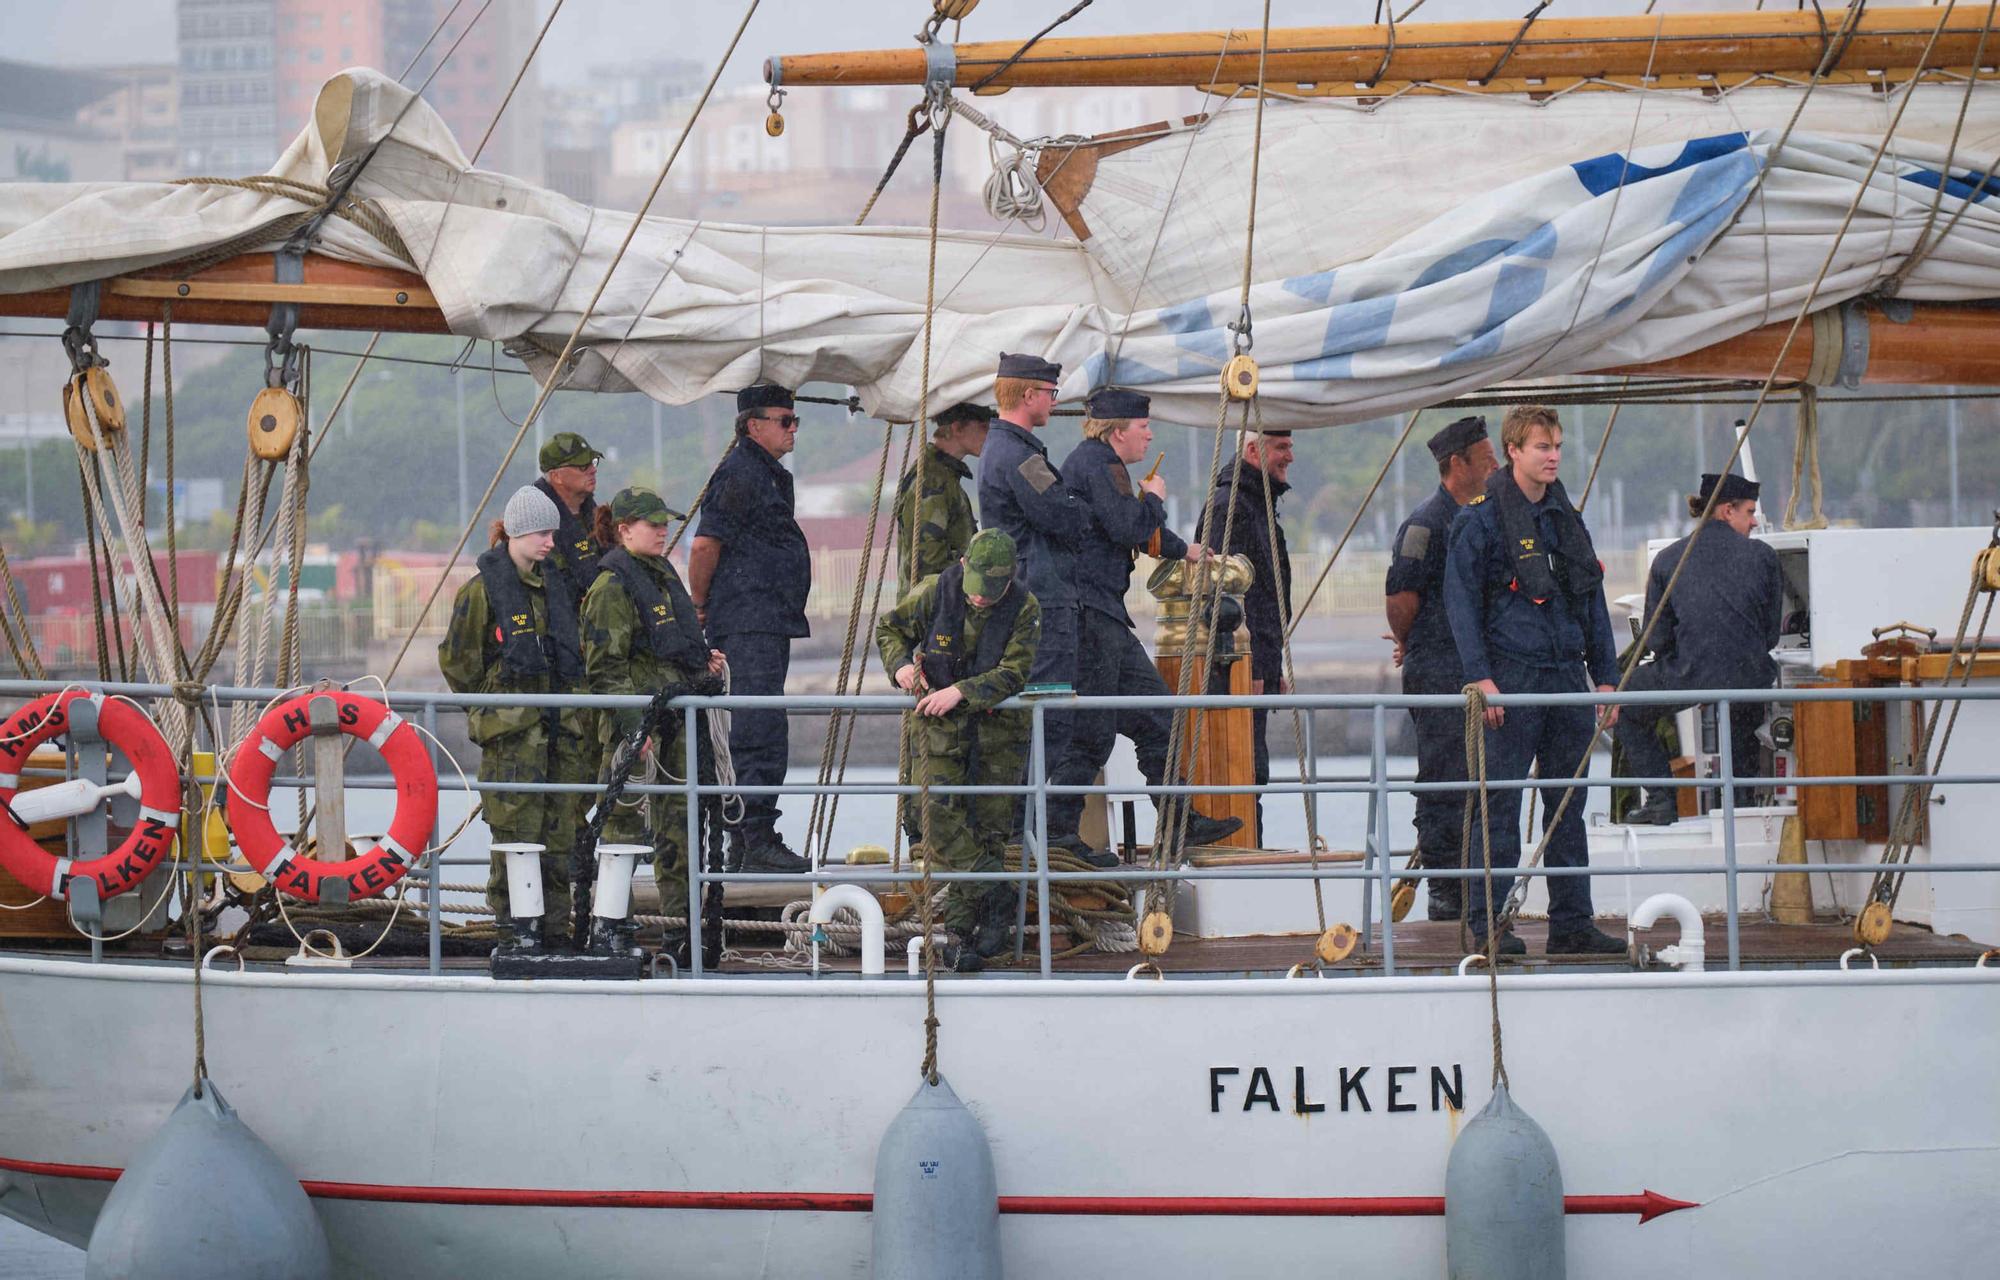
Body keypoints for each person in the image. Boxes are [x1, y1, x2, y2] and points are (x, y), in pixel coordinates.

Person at [1443, 405, 1625, 956]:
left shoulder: (1566, 517)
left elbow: (1590, 599)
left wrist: (1607, 679)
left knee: (1568, 805)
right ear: (1514, 452)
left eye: (1558, 447)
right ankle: (1490, 926)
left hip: (1566, 676)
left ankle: (1573, 924)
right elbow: (1462, 605)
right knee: (1497, 807)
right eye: (1542, 447)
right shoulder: (1478, 521)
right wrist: (1481, 678)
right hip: (1511, 680)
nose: (1552, 457)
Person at [1050, 387, 1243, 862]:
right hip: (1093, 618)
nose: (1149, 434)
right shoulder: (1100, 465)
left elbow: (1124, 524)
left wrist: (1186, 549)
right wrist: (1155, 499)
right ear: (1118, 431)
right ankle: (1057, 834)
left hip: (1100, 616)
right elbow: (1131, 527)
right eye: (1143, 427)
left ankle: (1179, 822)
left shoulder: (1093, 464)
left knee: (1157, 717)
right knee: (1095, 731)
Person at [437, 485, 593, 956]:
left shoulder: (555, 587)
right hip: (514, 743)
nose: (550, 542)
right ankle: (515, 932)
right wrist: (493, 707)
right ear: (518, 533)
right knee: (515, 838)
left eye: (553, 533)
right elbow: (458, 662)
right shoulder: (483, 592)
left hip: (561, 738)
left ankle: (556, 933)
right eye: (543, 533)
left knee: (561, 838)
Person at [877, 529, 1041, 973]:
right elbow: (889, 627)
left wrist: (961, 692)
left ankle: (960, 937)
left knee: (987, 828)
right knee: (934, 815)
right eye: (977, 590)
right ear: (965, 566)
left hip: (997, 736)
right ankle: (996, 887)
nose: (982, 601)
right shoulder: (935, 591)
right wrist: (902, 668)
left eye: (994, 592)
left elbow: (1014, 672)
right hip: (937, 732)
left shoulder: (1025, 608)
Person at [580, 487, 729, 960]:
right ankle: (611, 928)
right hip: (641, 730)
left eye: (665, 523)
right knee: (622, 829)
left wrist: (703, 664)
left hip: (676, 720)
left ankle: (681, 932)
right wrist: (633, 729)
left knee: (680, 831)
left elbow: (675, 645)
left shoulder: (661, 576)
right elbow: (606, 669)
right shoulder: (611, 588)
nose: (663, 530)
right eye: (652, 524)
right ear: (624, 530)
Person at [688, 384, 811, 872]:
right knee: (757, 726)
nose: (793, 429)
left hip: (766, 621)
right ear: (753, 425)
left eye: (795, 420)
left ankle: (747, 839)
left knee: (762, 722)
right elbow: (704, 546)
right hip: (747, 622)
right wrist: (699, 604)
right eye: (785, 420)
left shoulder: (765, 474)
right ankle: (752, 834)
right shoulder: (740, 474)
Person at [1615, 472, 1784, 824]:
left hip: (1694, 672)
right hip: (1750, 676)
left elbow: (1656, 639)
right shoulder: (1764, 556)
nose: (1754, 521)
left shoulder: (1669, 560)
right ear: (1726, 511)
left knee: (1627, 703)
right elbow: (1770, 635)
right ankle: (1741, 805)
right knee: (1742, 713)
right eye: (1749, 512)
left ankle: (1661, 801)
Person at [1385, 415, 1499, 920]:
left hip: (1480, 668)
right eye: (1487, 458)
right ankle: (1445, 889)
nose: (1495, 466)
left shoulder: (1488, 516)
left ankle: (1480, 882)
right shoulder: (1426, 526)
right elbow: (1401, 596)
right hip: (1437, 667)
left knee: (1485, 777)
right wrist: (1412, 643)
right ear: (1459, 464)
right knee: (1443, 778)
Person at [977, 352, 1093, 778]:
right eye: (1050, 393)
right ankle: (1025, 833)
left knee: (1042, 716)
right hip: (1042, 595)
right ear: (1029, 395)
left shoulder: (1001, 449)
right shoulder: (1021, 458)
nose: (1054, 402)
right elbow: (1064, 515)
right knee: (1050, 716)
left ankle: (1026, 833)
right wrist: (1082, 506)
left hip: (1026, 591)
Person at [1195, 429, 1296, 844]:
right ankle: (1240, 850)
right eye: (1282, 447)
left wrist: (1270, 669)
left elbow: (1264, 598)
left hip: (1254, 665)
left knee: (1254, 768)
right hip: (1238, 667)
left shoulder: (1255, 505)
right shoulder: (1231, 507)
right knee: (1243, 765)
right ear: (1254, 450)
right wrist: (1247, 665)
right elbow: (1224, 598)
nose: (1290, 456)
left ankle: (1248, 847)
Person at [895, 401, 991, 593]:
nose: (989, 434)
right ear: (957, 428)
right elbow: (928, 563)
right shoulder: (932, 481)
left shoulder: (942, 476)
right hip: (934, 608)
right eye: (983, 427)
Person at [534, 431, 606, 603]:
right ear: (556, 476)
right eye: (583, 466)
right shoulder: (535, 526)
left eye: (593, 462)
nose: (593, 470)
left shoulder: (600, 521)